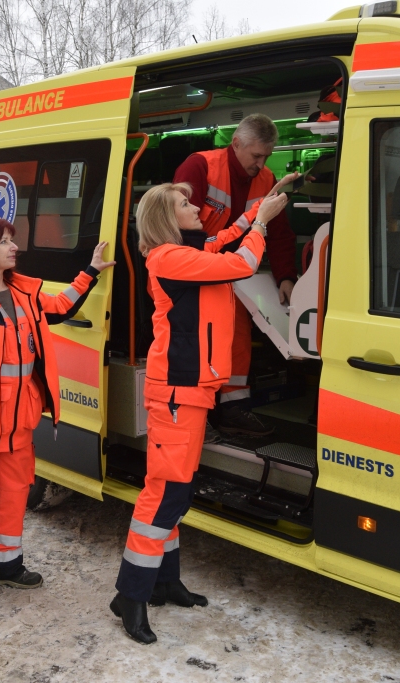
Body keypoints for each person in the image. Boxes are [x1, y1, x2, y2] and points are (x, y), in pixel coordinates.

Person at [110, 177, 297, 644]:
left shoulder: (189, 254)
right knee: (165, 494)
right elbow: (241, 261)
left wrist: (259, 207)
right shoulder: (169, 258)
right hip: (177, 393)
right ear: (165, 219)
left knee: (177, 490)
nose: (195, 207)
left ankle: (164, 581)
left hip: (188, 393)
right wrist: (263, 225)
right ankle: (130, 594)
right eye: (185, 203)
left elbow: (224, 238)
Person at [0, 217, 115, 592]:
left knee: (13, 499)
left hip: (19, 425)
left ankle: (5, 567)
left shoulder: (25, 295)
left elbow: (61, 307)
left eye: (12, 240)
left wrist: (90, 271)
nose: (14, 247)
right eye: (3, 241)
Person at [173, 113, 297, 437]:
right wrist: (203, 268)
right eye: (257, 155)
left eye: (267, 156)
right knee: (197, 344)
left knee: (237, 338)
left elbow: (279, 232)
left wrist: (286, 277)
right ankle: (196, 414)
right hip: (192, 273)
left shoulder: (266, 179)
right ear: (236, 143)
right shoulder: (199, 166)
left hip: (229, 274)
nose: (261, 163)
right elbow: (177, 226)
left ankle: (231, 410)